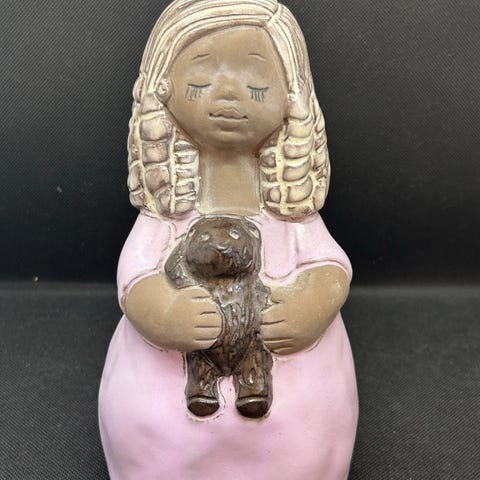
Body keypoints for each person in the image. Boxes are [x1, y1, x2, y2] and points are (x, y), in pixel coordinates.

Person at [99, 1, 358, 479]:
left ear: (291, 95)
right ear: (164, 89)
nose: (228, 92)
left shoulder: (291, 215)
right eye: (202, 76)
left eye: (255, 80)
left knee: (303, 432)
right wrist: (164, 312)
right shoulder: (167, 214)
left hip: (289, 415)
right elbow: (136, 272)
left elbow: (329, 264)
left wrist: (310, 304)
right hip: (170, 417)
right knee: (154, 425)